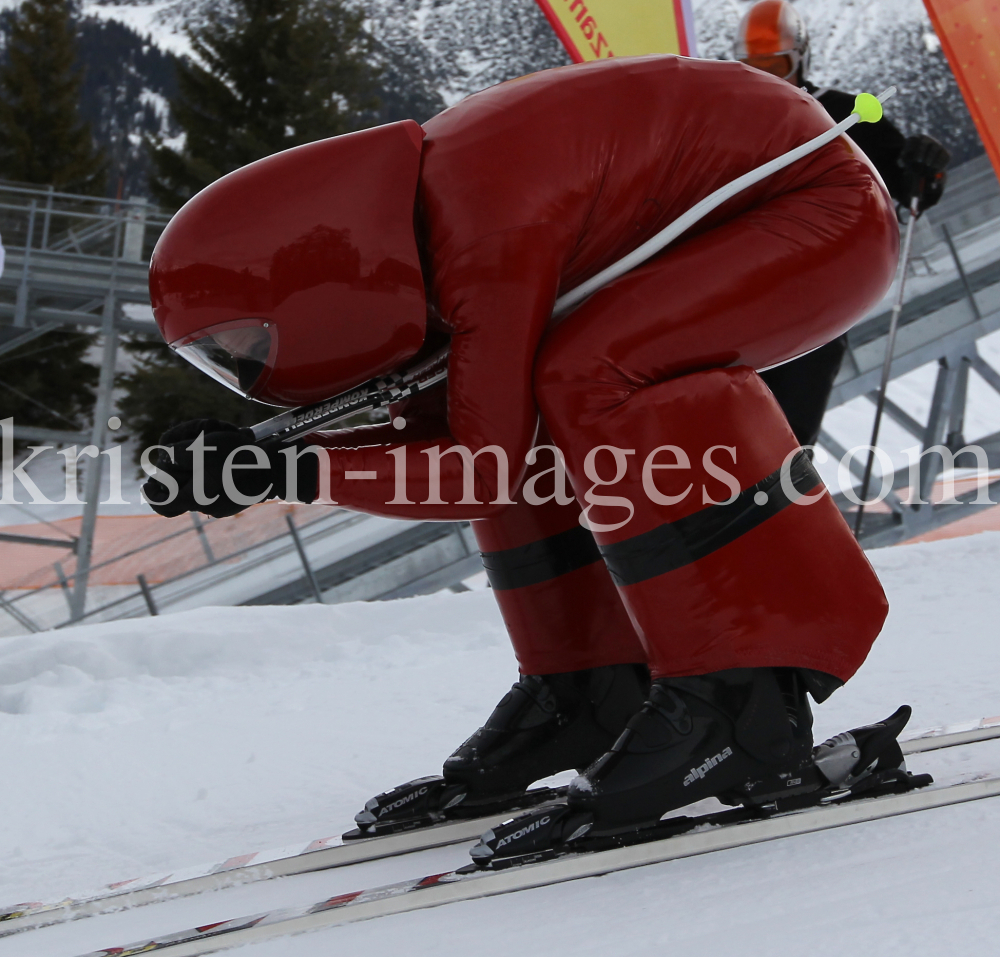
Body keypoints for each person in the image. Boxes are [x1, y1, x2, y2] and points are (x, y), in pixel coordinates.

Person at [143, 55, 900, 836]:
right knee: (517, 389)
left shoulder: (479, 227)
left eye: (244, 343)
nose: (250, 368)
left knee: (593, 371)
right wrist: (270, 458)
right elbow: (467, 423)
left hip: (823, 209)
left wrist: (292, 467)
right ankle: (591, 683)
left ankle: (740, 698)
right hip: (768, 203)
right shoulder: (428, 222)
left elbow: (482, 470)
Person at [734, 0, 950, 448]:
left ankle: (777, 505)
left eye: (776, 65)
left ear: (802, 59)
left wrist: (924, 166)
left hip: (815, 310)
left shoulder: (847, 117)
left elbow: (908, 186)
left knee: (785, 444)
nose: (769, 79)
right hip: (735, 302)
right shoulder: (728, 122)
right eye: (755, 67)